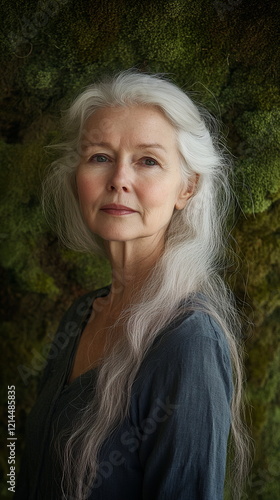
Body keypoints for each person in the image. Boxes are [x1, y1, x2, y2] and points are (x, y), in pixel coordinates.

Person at [15, 70, 249, 500]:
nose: (119, 179)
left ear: (187, 186)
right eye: (100, 157)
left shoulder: (187, 342)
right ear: (77, 177)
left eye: (148, 161)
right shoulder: (80, 315)